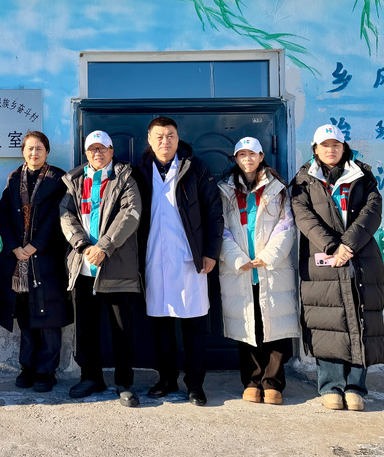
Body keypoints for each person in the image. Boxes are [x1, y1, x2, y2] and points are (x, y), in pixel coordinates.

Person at [291, 124, 384, 411]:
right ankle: (331, 386)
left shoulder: (362, 176)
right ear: (315, 149)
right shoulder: (304, 180)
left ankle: (356, 386)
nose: (330, 150)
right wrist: (333, 247)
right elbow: (304, 217)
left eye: (336, 145)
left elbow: (373, 211)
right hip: (323, 259)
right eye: (324, 145)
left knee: (361, 317)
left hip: (361, 256)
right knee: (327, 320)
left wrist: (349, 245)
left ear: (344, 148)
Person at [134, 117, 223, 406]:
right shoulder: (140, 171)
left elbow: (213, 212)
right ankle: (167, 379)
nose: (165, 141)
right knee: (161, 325)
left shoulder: (195, 168)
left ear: (178, 137)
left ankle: (195, 384)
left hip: (189, 259)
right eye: (159, 136)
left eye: (170, 135)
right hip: (154, 258)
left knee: (194, 325)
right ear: (149, 139)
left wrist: (211, 252)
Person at [60, 130, 143, 408]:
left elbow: (130, 214)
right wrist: (83, 246)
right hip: (83, 266)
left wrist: (104, 247)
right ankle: (91, 377)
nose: (98, 153)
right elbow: (66, 215)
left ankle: (125, 382)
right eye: (92, 149)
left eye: (103, 148)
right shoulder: (75, 180)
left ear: (111, 150)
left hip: (116, 265)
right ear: (86, 153)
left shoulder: (125, 178)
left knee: (121, 328)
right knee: (86, 327)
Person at [218, 137, 298, 405]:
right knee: (247, 326)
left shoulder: (278, 189)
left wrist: (267, 256)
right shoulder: (225, 190)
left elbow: (286, 226)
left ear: (262, 156)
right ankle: (252, 382)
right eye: (242, 155)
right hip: (241, 269)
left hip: (271, 268)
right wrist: (237, 258)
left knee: (274, 324)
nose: (247, 159)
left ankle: (272, 382)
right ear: (236, 159)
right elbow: (220, 228)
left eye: (252, 154)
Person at [0, 131, 70, 393]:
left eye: (39, 148)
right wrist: (14, 247)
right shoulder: (14, 178)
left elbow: (57, 217)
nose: (34, 153)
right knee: (25, 316)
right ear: (23, 152)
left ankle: (46, 370)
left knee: (48, 318)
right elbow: (4, 215)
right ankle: (27, 366)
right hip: (19, 260)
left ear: (47, 151)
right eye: (29, 148)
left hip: (46, 259)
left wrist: (35, 245)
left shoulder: (58, 179)